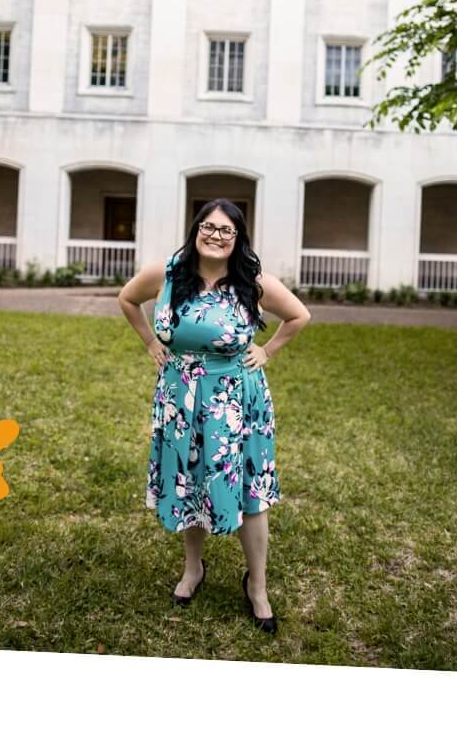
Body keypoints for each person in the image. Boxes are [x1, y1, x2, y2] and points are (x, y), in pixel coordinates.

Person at [116, 199, 310, 633]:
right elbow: (128, 300)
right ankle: (193, 569)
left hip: (237, 400)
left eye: (227, 230)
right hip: (181, 397)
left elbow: (299, 315)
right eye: (209, 227)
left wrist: (267, 350)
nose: (216, 235)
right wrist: (150, 342)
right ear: (196, 230)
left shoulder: (250, 280)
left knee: (249, 492)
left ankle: (257, 585)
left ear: (238, 238)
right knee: (189, 482)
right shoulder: (168, 273)